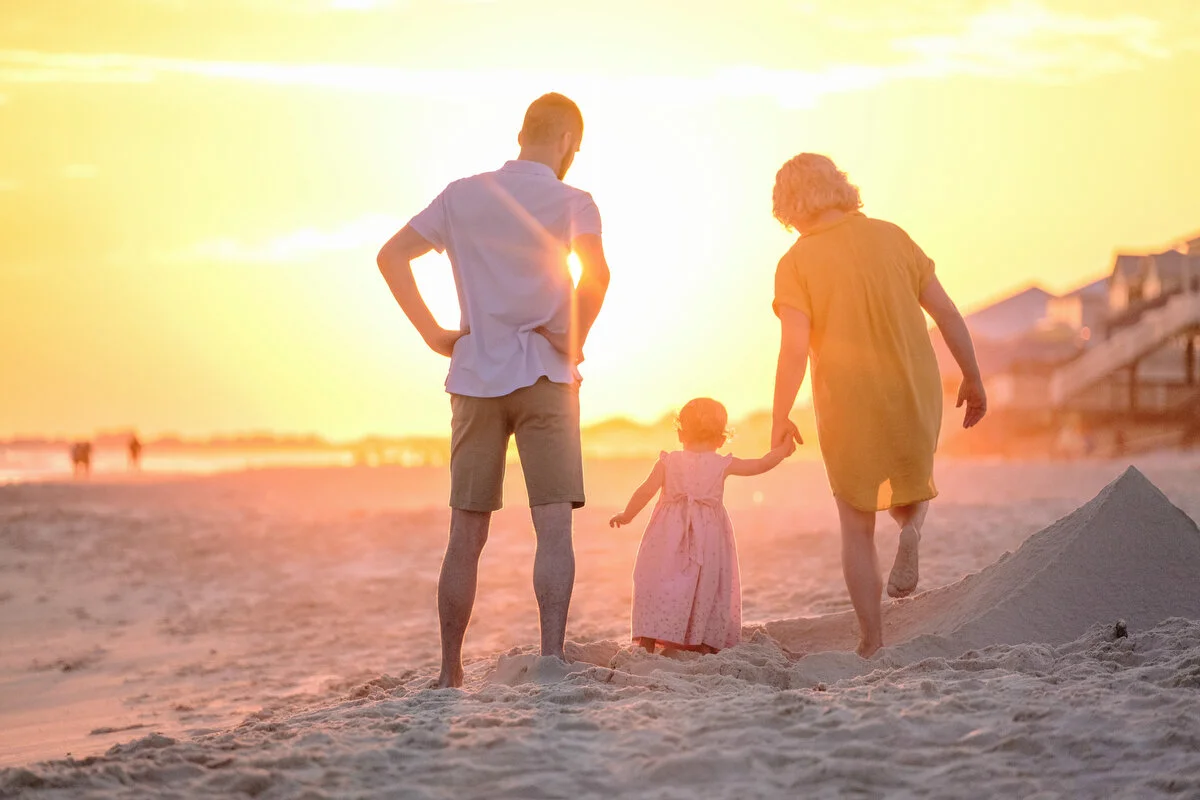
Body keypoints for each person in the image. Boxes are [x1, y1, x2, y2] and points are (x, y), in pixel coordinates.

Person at [376, 93, 611, 688]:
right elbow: (598, 273)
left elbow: (391, 257)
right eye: (575, 149)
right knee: (553, 526)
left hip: (476, 376)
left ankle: (450, 670)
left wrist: (434, 333)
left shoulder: (461, 195)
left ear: (523, 132)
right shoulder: (573, 200)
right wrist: (572, 337)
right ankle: (552, 657)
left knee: (465, 534)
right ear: (564, 140)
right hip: (546, 376)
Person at [768, 153, 986, 658]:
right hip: (914, 383)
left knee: (856, 524)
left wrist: (781, 415)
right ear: (838, 187)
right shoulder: (893, 236)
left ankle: (873, 640)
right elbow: (947, 312)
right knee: (912, 485)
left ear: (787, 205)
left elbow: (794, 348)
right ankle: (911, 530)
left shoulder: (796, 262)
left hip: (847, 402)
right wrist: (973, 378)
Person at [609, 398, 795, 655]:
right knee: (706, 582)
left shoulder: (668, 462)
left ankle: (649, 637)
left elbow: (644, 491)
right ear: (721, 439)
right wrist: (782, 451)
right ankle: (704, 639)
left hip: (666, 534)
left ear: (680, 433)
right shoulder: (722, 464)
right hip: (709, 535)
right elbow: (760, 464)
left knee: (657, 579)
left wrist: (627, 514)